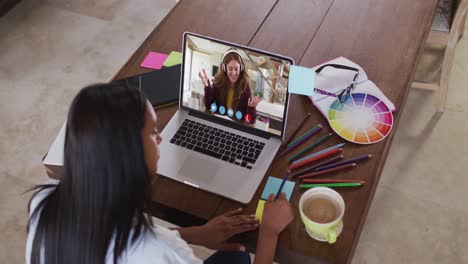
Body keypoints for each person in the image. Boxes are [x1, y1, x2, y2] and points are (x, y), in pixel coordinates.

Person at [26, 82, 294, 264]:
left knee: (235, 256)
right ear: (130, 156)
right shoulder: (161, 252)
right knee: (242, 255)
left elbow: (113, 241)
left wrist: (196, 234)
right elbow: (153, 248)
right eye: (153, 133)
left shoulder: (44, 203)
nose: (161, 139)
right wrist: (269, 233)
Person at [199, 49, 261, 124]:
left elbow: (250, 121)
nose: (234, 73)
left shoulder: (246, 88)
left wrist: (251, 108)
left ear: (241, 69)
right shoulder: (218, 82)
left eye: (236, 69)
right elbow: (209, 107)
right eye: (230, 69)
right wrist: (207, 88)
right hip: (218, 124)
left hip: (237, 128)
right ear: (224, 68)